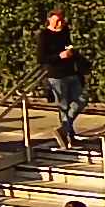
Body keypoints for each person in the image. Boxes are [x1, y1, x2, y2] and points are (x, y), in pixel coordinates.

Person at [35, 9, 87, 144]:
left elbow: (69, 44)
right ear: (50, 20)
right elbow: (41, 58)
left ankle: (64, 129)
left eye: (62, 21)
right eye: (57, 21)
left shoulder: (65, 32)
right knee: (63, 105)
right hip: (56, 75)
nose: (60, 24)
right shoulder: (44, 35)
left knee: (81, 100)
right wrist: (59, 56)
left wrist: (71, 52)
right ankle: (68, 134)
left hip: (71, 72)